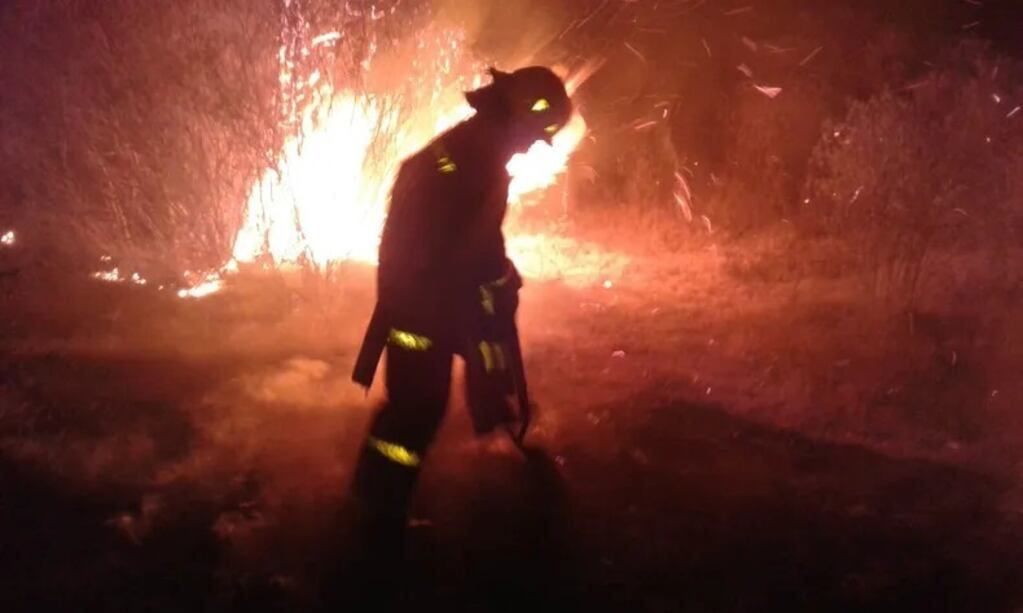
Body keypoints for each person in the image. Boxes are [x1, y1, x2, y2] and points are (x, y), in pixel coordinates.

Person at [348, 66, 573, 555]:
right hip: (420, 309)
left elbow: (475, 237)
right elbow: (453, 244)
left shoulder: (473, 153)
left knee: (418, 409)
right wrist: (492, 281)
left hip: (422, 301)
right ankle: (377, 522)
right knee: (415, 412)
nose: (531, 147)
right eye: (533, 136)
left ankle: (376, 505)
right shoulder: (468, 162)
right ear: (513, 116)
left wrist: (497, 273)